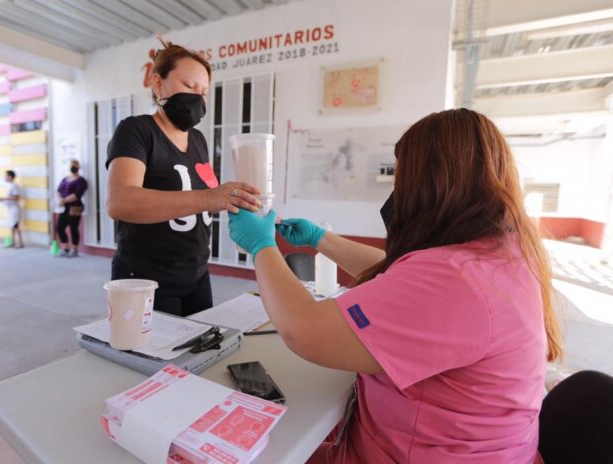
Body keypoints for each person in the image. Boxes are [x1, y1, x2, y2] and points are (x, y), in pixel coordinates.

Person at [228, 109, 562, 463]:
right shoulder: (499, 253)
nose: (395, 195)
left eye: (400, 184)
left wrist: (262, 246)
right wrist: (319, 239)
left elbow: (303, 330)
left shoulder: (456, 280)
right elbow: (400, 277)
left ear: (432, 185)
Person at [106, 40, 261, 317]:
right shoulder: (136, 130)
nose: (197, 98)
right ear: (158, 84)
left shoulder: (198, 139)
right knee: (156, 346)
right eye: (190, 86)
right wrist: (208, 198)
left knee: (201, 343)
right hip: (146, 278)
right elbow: (120, 201)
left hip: (197, 273)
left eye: (203, 92)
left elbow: (204, 201)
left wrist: (239, 203)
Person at [56, 160, 88, 258]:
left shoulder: (81, 180)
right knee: (60, 227)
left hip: (75, 207)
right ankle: (65, 248)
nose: (73, 167)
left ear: (78, 167)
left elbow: (77, 195)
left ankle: (74, 250)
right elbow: (58, 190)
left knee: (73, 227)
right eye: (72, 165)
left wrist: (64, 200)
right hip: (65, 207)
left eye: (75, 165)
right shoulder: (65, 179)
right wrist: (61, 200)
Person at [0, 170, 23, 248]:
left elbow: (17, 197)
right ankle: (14, 242)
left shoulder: (15, 186)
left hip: (14, 209)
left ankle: (20, 243)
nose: (5, 177)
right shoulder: (10, 186)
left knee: (16, 225)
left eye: (6, 176)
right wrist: (3, 200)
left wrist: (3, 198)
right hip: (10, 209)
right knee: (12, 225)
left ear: (10, 177)